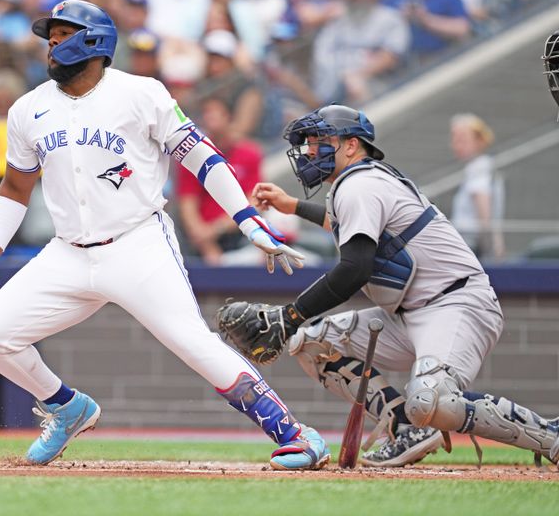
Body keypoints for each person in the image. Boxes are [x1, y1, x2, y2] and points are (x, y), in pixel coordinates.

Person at [0, 0, 329, 471]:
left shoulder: (142, 93)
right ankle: (65, 406)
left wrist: (244, 218)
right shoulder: (27, 109)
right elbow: (14, 187)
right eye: (49, 39)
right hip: (68, 252)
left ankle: (297, 435)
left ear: (94, 41)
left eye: (62, 36)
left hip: (137, 243)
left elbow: (203, 157)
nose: (51, 47)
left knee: (192, 341)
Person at [216, 104, 559, 468]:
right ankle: (405, 428)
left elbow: (355, 268)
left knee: (432, 402)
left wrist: (290, 315)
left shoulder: (360, 185)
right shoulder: (359, 182)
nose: (311, 149)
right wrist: (294, 207)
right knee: (310, 343)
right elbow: (345, 224)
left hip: (457, 304)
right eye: (310, 142)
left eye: (321, 140)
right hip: (409, 313)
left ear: (351, 145)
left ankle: (549, 434)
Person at [177, 96, 263, 265]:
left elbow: (254, 201)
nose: (211, 119)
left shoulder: (250, 153)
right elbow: (187, 204)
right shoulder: (192, 155)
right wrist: (206, 244)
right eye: (207, 114)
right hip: (201, 240)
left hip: (239, 234)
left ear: (229, 118)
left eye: (217, 113)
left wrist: (216, 229)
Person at [449, 113, 505, 260]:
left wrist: (488, 251)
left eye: (462, 139)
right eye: (454, 138)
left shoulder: (479, 168)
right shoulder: (479, 167)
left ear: (479, 141)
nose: (455, 144)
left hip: (471, 247)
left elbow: (483, 209)